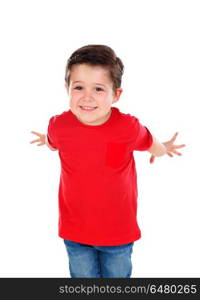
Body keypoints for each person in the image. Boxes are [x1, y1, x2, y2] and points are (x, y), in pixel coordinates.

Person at [30, 44, 185, 278]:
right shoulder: (58, 125)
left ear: (116, 94)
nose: (87, 97)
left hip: (118, 233)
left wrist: (163, 149)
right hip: (75, 231)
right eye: (79, 87)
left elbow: (149, 142)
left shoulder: (128, 127)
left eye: (99, 89)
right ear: (67, 88)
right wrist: (47, 139)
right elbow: (53, 142)